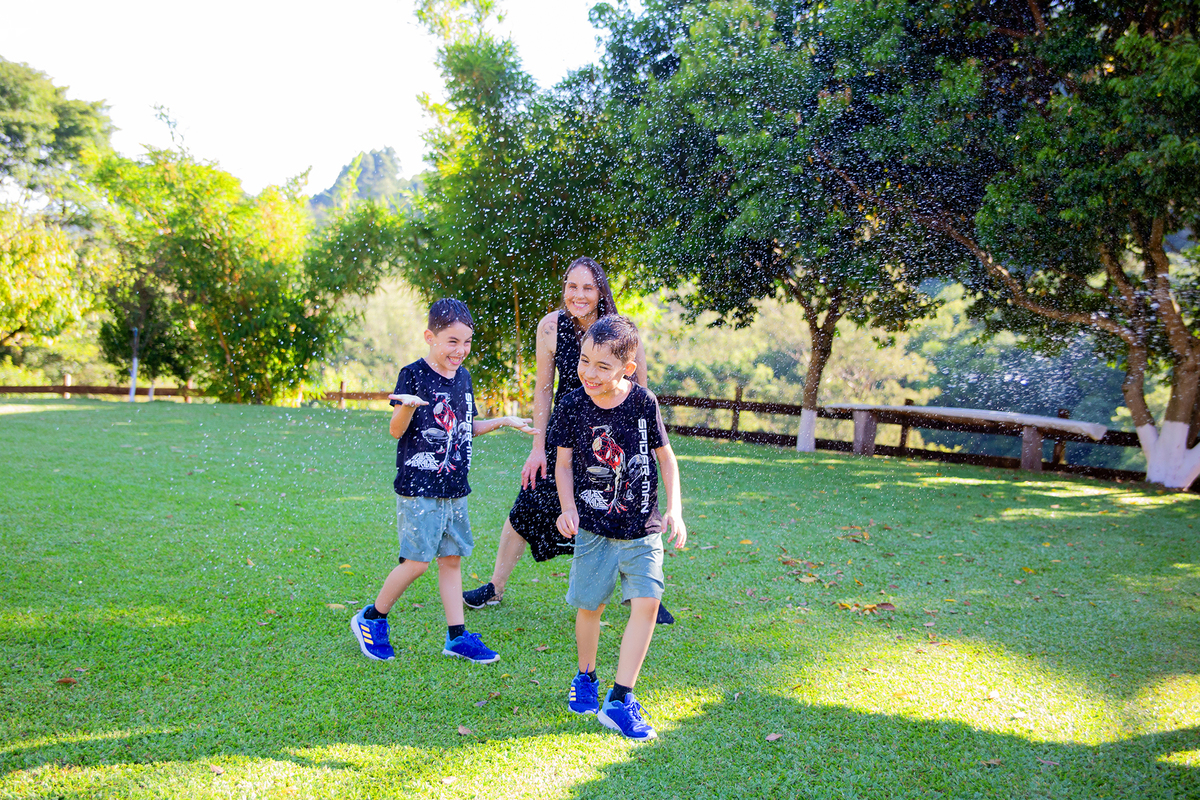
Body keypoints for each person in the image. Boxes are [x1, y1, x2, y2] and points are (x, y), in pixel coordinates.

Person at [462, 257, 675, 625]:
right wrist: (537, 447)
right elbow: (543, 390)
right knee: (528, 501)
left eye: (588, 287)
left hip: (612, 434)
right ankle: (495, 587)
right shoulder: (550, 326)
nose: (578, 294)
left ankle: (644, 597)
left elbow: (639, 389)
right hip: (567, 428)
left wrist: (636, 449)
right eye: (571, 286)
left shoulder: (622, 331)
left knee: (626, 510)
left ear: (601, 291)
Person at [351, 298, 537, 664]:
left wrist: (503, 421)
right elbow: (396, 430)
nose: (460, 350)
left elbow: (465, 427)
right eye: (452, 341)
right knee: (417, 562)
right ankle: (371, 617)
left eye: (466, 342)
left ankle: (456, 636)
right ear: (430, 337)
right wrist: (407, 405)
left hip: (454, 488)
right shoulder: (412, 374)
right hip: (419, 487)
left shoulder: (464, 377)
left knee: (451, 559)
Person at [548, 315, 686, 740]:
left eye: (602, 366)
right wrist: (567, 508)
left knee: (648, 602)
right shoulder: (572, 405)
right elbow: (564, 465)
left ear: (627, 368)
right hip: (594, 529)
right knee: (590, 606)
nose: (589, 373)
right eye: (584, 361)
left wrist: (675, 510)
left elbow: (666, 458)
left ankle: (621, 697)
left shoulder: (644, 402)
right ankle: (586, 675)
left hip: (643, 526)